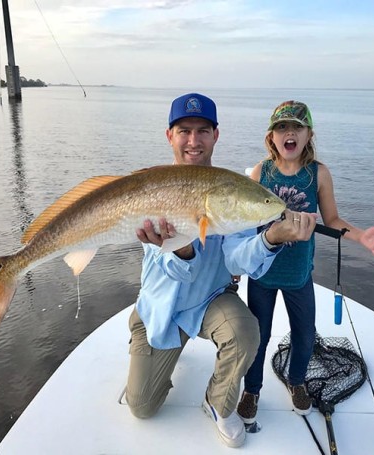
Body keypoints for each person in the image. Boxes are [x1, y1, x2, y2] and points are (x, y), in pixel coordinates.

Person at [125, 93, 318, 448]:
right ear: (170, 135)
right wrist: (180, 249)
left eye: (203, 131)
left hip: (209, 301)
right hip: (162, 307)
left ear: (216, 135)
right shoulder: (154, 187)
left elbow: (237, 260)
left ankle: (218, 402)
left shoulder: (229, 190)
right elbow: (171, 273)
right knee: (142, 407)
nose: (194, 141)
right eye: (184, 131)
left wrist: (271, 237)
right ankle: (151, 359)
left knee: (246, 332)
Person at [237, 100, 374, 423]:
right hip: (263, 274)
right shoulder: (260, 171)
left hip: (299, 275)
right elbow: (245, 224)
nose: (290, 132)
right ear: (272, 137)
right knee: (259, 334)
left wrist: (361, 236)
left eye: (297, 126)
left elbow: (333, 219)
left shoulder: (318, 174)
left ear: (309, 134)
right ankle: (252, 389)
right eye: (282, 127)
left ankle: (297, 382)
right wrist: (234, 268)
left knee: (305, 335)